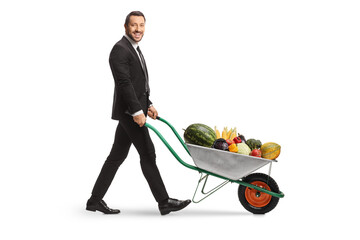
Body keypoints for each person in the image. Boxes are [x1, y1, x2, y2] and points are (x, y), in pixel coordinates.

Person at [86, 11, 191, 215]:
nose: (138, 29)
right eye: (134, 25)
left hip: (136, 110)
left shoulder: (133, 48)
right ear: (125, 26)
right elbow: (124, 84)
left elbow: (137, 83)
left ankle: (94, 201)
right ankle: (164, 201)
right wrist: (136, 111)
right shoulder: (120, 49)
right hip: (130, 113)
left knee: (116, 156)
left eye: (141, 25)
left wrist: (148, 105)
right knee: (148, 154)